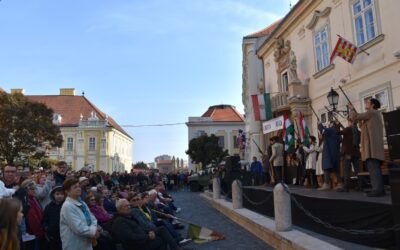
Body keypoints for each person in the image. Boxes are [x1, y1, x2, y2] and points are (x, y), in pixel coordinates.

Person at [350, 98, 385, 197]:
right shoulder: (373, 114)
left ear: (373, 105)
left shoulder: (372, 112)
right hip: (372, 148)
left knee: (373, 169)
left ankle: (377, 190)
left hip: (372, 148)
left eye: (368, 102)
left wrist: (352, 109)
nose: (366, 103)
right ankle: (378, 189)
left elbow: (355, 117)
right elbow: (362, 127)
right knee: (373, 169)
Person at [60, 178, 100, 250]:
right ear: (67, 192)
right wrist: (93, 231)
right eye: (75, 187)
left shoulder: (82, 203)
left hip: (86, 243)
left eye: (78, 186)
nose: (78, 188)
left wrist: (94, 228)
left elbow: (92, 218)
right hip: (74, 245)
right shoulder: (67, 206)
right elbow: (79, 228)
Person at [318, 121, 344, 191]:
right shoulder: (337, 133)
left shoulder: (331, 130)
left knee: (326, 167)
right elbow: (340, 140)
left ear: (333, 125)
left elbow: (323, 130)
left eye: (330, 124)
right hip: (335, 153)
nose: (328, 125)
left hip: (329, 153)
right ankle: (340, 183)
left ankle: (327, 184)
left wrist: (320, 124)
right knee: (336, 170)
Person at [338, 118, 362, 192]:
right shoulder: (358, 131)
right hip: (356, 152)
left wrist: (337, 125)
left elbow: (339, 132)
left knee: (347, 170)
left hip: (348, 153)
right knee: (358, 170)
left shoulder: (348, 129)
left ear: (350, 122)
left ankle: (346, 187)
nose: (347, 123)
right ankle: (360, 186)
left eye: (348, 122)